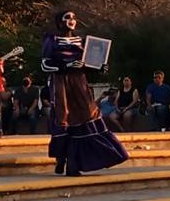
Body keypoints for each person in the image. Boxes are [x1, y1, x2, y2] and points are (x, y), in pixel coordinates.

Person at [41, 9, 129, 176]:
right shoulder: (51, 40)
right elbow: (45, 65)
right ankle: (62, 158)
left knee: (88, 116)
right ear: (60, 22)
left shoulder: (82, 41)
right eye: (68, 17)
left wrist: (100, 66)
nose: (72, 20)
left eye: (74, 17)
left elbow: (88, 64)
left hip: (80, 84)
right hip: (62, 84)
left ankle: (76, 162)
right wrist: (66, 66)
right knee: (65, 118)